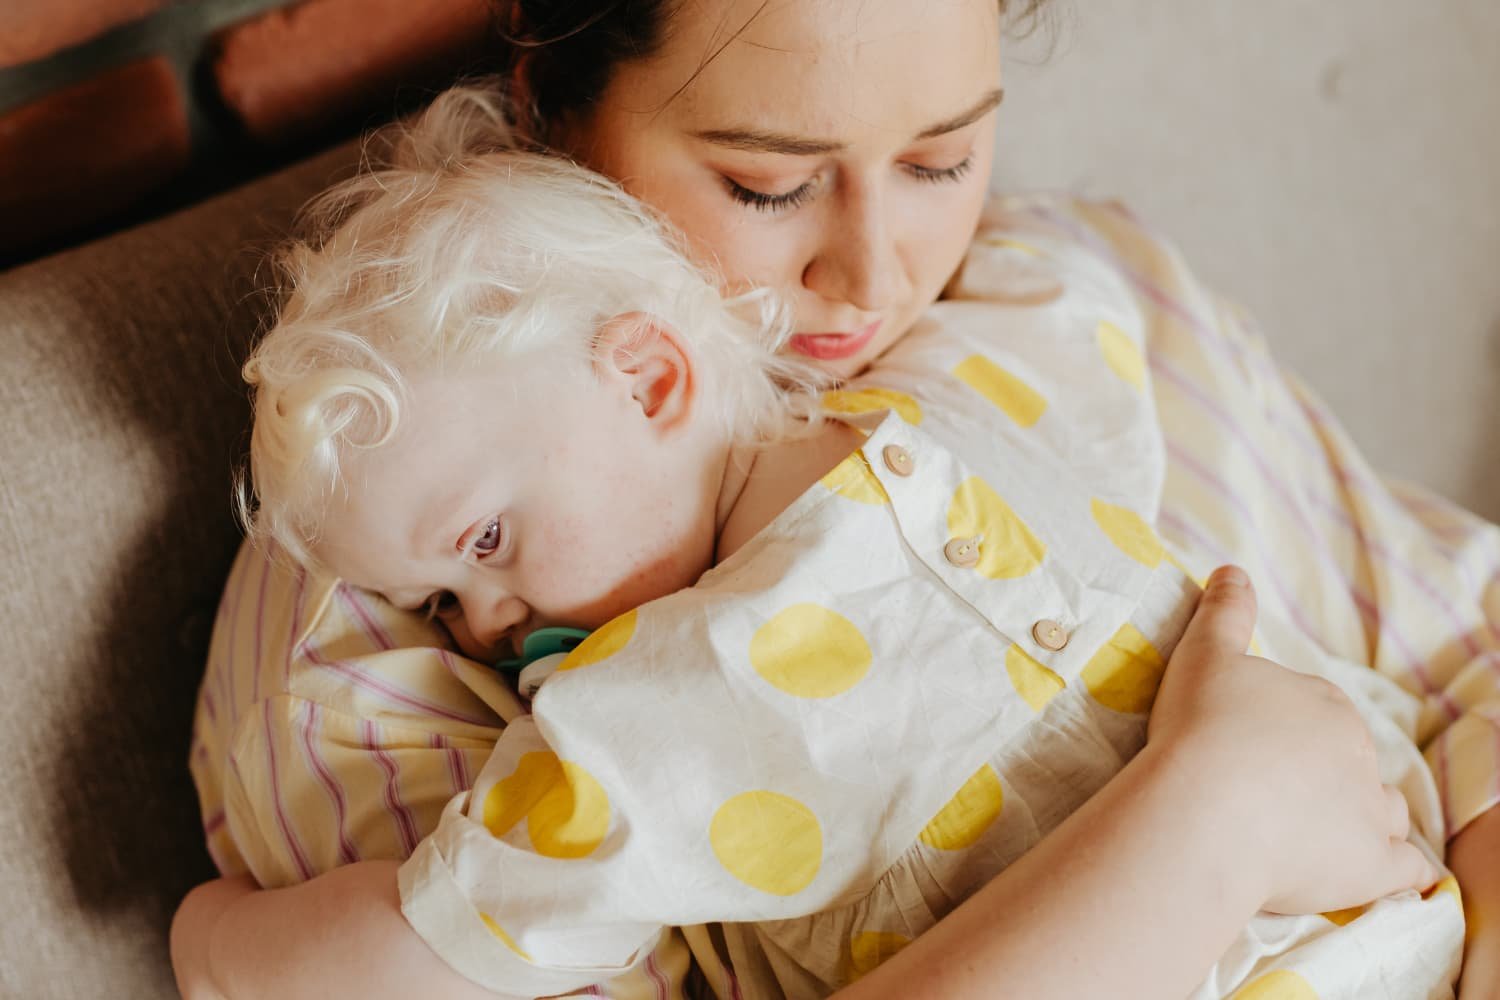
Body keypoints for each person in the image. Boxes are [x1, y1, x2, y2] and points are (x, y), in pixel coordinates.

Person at [172, 1, 1500, 997]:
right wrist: (1210, 825)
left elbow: (1466, 641)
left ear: (653, 374)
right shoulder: (394, 553)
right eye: (771, 183)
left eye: (941, 160)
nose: (872, 276)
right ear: (554, 118)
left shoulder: (1043, 302)